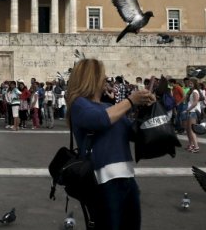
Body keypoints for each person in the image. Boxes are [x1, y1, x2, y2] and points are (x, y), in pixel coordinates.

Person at [66, 58, 155, 230]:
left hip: (127, 178)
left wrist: (147, 109)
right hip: (103, 181)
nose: (107, 78)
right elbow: (100, 120)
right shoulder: (79, 105)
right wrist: (130, 101)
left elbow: (135, 133)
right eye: (103, 75)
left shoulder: (109, 106)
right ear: (92, 78)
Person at [182, 79, 201, 153]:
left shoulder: (195, 91)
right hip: (191, 112)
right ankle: (192, 145)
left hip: (192, 112)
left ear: (195, 84)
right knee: (189, 130)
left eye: (191, 83)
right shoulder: (191, 91)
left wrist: (188, 110)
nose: (190, 84)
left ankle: (196, 147)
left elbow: (195, 102)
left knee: (192, 130)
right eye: (189, 83)